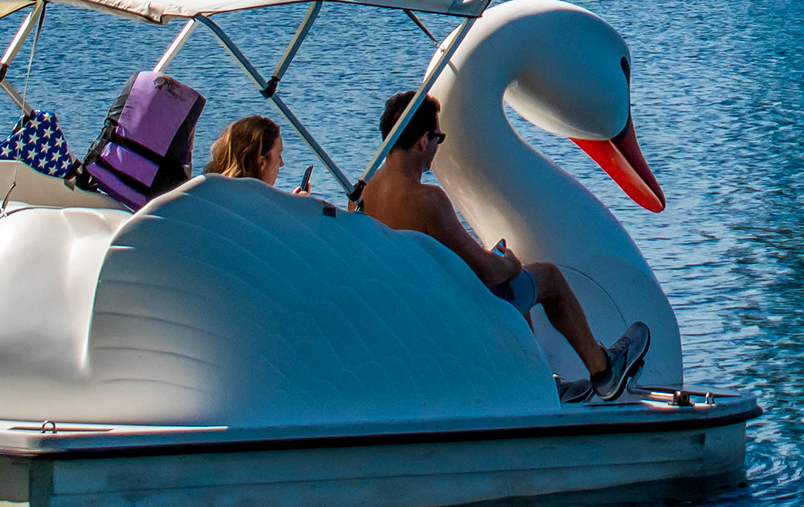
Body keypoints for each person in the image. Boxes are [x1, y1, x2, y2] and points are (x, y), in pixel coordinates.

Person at [360, 90, 650, 403]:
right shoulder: (426, 200)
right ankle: (604, 370)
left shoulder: (362, 196)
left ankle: (539, 379)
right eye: (438, 138)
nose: (437, 146)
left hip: (409, 307)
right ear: (422, 141)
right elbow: (485, 272)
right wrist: (509, 262)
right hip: (453, 309)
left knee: (515, 286)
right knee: (545, 277)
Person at [207, 115, 311, 193]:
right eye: (279, 155)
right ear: (261, 161)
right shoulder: (254, 205)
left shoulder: (210, 191)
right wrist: (298, 210)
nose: (282, 163)